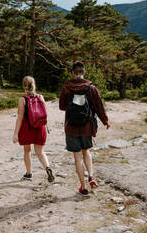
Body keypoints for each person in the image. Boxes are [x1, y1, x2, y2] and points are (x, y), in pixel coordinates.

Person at [59, 61, 110, 196]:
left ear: (72, 73)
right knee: (86, 152)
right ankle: (91, 176)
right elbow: (99, 106)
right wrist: (105, 121)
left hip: (71, 126)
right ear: (84, 73)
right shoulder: (91, 88)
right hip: (87, 126)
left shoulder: (66, 87)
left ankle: (83, 186)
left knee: (77, 157)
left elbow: (62, 106)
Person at [13, 76, 54, 183]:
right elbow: (44, 114)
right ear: (34, 85)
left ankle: (29, 173)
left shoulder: (22, 99)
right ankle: (47, 167)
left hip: (27, 128)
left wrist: (15, 134)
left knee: (27, 151)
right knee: (40, 152)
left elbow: (20, 117)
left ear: (24, 87)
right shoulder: (41, 97)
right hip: (40, 127)